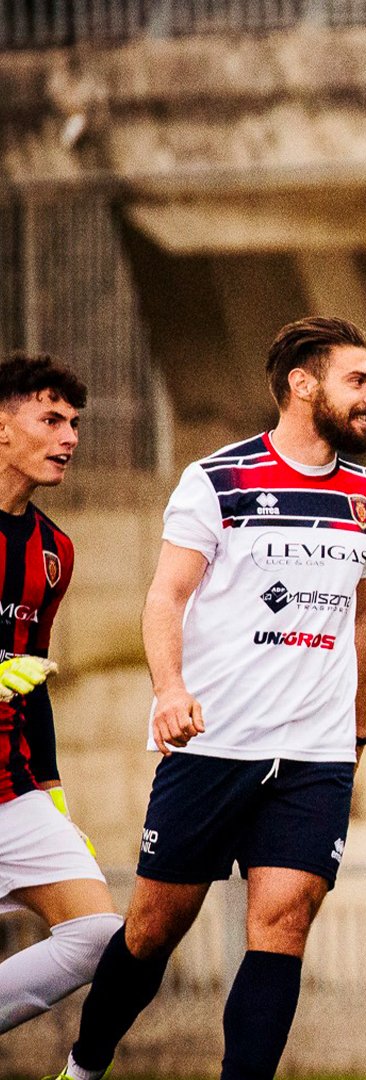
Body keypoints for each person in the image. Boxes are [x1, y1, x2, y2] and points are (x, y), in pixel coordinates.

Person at [57, 317, 366, 1080]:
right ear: (303, 385)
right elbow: (166, 596)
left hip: (315, 753)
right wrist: (169, 689)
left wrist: (357, 728)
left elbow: (363, 614)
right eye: (358, 380)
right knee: (152, 930)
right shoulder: (217, 480)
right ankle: (82, 1067)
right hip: (213, 744)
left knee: (284, 922)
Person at [0, 352, 120, 1032]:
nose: (69, 436)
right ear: (2, 427)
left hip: (12, 791)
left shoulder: (53, 552)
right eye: (51, 420)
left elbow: (34, 680)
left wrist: (52, 792)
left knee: (100, 935)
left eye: (74, 423)